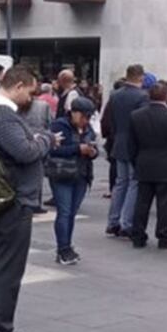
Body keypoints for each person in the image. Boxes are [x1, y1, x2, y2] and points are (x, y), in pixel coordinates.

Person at [0, 65, 55, 332]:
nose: (31, 98)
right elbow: (26, 152)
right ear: (18, 86)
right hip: (12, 202)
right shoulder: (4, 116)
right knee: (7, 270)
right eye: (30, 92)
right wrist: (45, 139)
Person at [128, 82, 167, 250]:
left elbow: (131, 144)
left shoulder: (136, 116)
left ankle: (138, 235)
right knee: (164, 204)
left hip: (144, 163)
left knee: (142, 203)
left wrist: (135, 161)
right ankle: (163, 236)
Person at [47, 97, 97, 265]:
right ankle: (62, 249)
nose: (85, 121)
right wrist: (77, 149)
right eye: (83, 116)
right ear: (74, 113)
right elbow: (53, 149)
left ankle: (67, 246)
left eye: (88, 117)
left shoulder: (88, 128)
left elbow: (93, 147)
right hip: (63, 174)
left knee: (71, 213)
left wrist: (92, 152)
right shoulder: (60, 125)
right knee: (65, 212)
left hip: (81, 174)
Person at [105, 65, 149, 238]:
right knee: (133, 183)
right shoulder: (142, 96)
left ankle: (113, 221)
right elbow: (142, 123)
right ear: (141, 77)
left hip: (119, 141)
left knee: (120, 183)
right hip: (134, 144)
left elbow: (112, 120)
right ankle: (126, 223)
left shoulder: (115, 95)